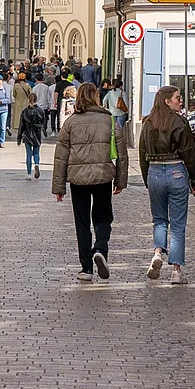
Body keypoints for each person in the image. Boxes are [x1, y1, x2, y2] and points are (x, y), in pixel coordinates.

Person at [53, 81, 126, 281]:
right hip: (102, 176)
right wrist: (120, 180)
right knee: (103, 217)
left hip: (78, 180)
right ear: (96, 97)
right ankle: (100, 248)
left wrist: (59, 187)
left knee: (82, 221)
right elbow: (122, 153)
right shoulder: (109, 120)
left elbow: (61, 156)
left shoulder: (70, 122)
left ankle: (86, 268)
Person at [137, 84, 195, 284]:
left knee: (159, 220)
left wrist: (147, 178)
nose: (181, 101)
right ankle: (176, 271)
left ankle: (157, 253)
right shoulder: (179, 123)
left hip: (154, 172)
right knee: (178, 225)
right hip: (176, 171)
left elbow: (142, 154)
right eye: (178, 98)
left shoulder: (148, 123)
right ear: (167, 101)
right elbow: (189, 152)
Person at [18, 92, 47, 178]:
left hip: (27, 134)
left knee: (28, 154)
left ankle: (29, 174)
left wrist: (19, 138)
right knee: (36, 152)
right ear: (36, 100)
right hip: (37, 133)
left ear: (28, 100)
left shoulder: (25, 111)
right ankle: (37, 164)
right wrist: (44, 131)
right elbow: (43, 122)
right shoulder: (40, 110)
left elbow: (21, 126)